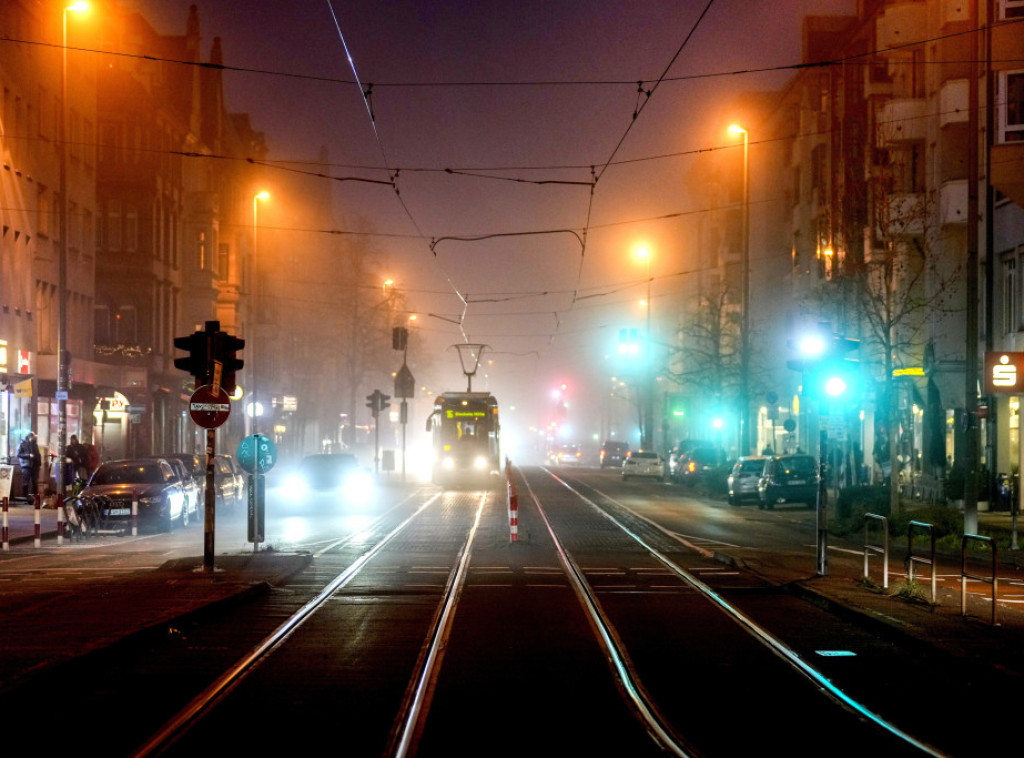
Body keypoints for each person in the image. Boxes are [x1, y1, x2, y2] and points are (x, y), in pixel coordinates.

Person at [17, 432, 41, 502]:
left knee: (35, 482)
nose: (34, 439)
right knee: (26, 482)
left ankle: (35, 498)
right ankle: (25, 498)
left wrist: (39, 464)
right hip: (26, 465)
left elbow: (38, 454)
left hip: (34, 465)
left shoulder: (34, 444)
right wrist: (28, 455)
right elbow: (18, 454)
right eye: (33, 437)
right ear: (30, 437)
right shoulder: (22, 443)